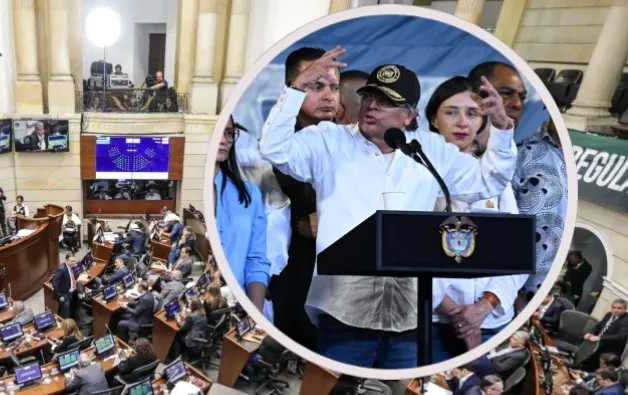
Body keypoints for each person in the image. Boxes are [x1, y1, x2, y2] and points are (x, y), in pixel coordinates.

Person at [259, 46, 517, 368]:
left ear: (409, 115)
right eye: (369, 97)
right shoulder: (329, 142)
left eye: (386, 101)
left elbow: (489, 181)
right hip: (344, 313)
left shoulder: (430, 150)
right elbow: (274, 149)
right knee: (333, 388)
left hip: (410, 315)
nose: (372, 106)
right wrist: (297, 88)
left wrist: (502, 129)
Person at [425, 76, 525, 360]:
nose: (462, 123)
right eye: (451, 112)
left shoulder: (496, 181)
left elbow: (517, 251)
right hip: (432, 319)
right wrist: (453, 311)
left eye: (472, 114)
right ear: (433, 119)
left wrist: (484, 306)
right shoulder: (411, 173)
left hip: (491, 321)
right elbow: (403, 250)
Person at [468, 61, 567, 305]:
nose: (517, 104)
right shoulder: (518, 157)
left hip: (531, 298)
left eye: (522, 97)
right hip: (495, 299)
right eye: (506, 93)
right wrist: (506, 297)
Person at [267, 47, 338, 351]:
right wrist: (298, 225)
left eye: (334, 87)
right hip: (294, 271)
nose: (328, 96)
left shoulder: (348, 143)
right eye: (315, 85)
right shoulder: (275, 146)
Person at [215, 116, 271, 318]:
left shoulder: (249, 194)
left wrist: (255, 315)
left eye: (229, 133)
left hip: (235, 309)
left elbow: (256, 260)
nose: (223, 140)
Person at [577, 299, 628, 371]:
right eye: (613, 307)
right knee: (584, 358)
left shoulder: (626, 320)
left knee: (593, 367)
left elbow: (621, 336)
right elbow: (599, 325)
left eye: (619, 308)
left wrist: (600, 338)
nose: (615, 310)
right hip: (597, 344)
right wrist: (590, 333)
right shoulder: (609, 314)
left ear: (625, 309)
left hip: (609, 350)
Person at [52, 253, 76, 319]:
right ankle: (65, 323)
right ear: (66, 260)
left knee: (67, 309)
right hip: (64, 295)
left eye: (74, 261)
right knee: (65, 313)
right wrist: (60, 296)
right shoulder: (61, 269)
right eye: (71, 261)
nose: (73, 263)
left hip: (69, 292)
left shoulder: (70, 267)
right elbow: (55, 283)